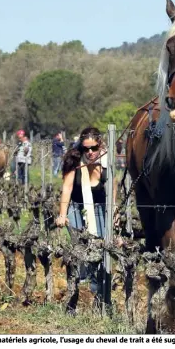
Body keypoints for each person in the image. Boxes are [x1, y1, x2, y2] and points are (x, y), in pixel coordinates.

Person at [55, 127, 116, 305]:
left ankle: (100, 293)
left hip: (100, 208)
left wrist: (114, 212)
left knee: (101, 246)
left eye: (94, 148)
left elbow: (112, 188)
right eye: (86, 148)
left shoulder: (106, 161)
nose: (90, 152)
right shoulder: (74, 160)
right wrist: (62, 214)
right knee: (81, 247)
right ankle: (79, 288)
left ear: (100, 145)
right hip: (77, 207)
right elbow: (67, 188)